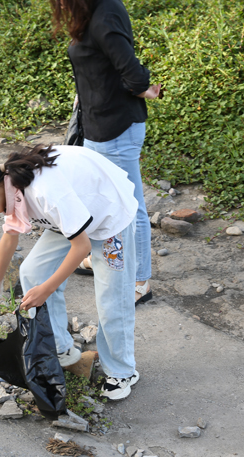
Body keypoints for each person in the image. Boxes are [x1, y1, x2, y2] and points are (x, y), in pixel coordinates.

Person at [0, 144, 140, 400]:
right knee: (33, 272)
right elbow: (9, 238)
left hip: (108, 214)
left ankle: (122, 371)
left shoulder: (44, 192)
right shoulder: (10, 188)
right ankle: (61, 348)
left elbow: (81, 246)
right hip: (70, 216)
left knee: (112, 299)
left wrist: (47, 289)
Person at [51, 0, 163, 305]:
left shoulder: (105, 14)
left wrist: (142, 89)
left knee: (129, 206)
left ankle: (140, 280)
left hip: (116, 129)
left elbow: (135, 76)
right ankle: (105, 258)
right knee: (101, 201)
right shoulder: (91, 13)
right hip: (97, 126)